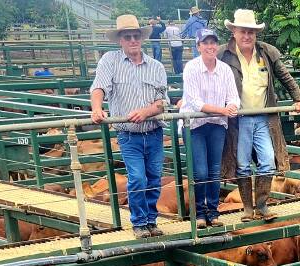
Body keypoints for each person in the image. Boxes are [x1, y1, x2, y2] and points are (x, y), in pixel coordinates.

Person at [219, 8, 300, 221]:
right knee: (241, 163)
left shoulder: (267, 52)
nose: (247, 36)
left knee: (267, 161)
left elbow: (285, 76)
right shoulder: (223, 54)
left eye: (251, 32)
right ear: (234, 32)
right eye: (243, 32)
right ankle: (248, 209)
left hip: (264, 117)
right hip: (238, 119)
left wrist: (299, 98)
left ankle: (262, 206)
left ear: (256, 34)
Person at [90, 14, 168, 238]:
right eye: (127, 37)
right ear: (120, 40)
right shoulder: (110, 61)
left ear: (141, 38)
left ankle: (151, 221)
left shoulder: (155, 66)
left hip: (153, 131)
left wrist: (147, 111)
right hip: (128, 133)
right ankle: (139, 222)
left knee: (154, 177)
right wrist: (97, 108)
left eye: (136, 36)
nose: (133, 40)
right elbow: (99, 87)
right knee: (137, 178)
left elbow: (163, 102)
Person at [180, 29, 240, 227]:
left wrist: (231, 107)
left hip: (217, 125)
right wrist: (223, 110)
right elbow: (195, 102)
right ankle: (199, 213)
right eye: (205, 43)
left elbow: (233, 97)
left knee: (214, 171)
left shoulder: (224, 70)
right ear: (198, 46)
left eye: (213, 42)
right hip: (195, 125)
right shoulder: (191, 68)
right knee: (201, 172)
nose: (210, 46)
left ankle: (213, 213)